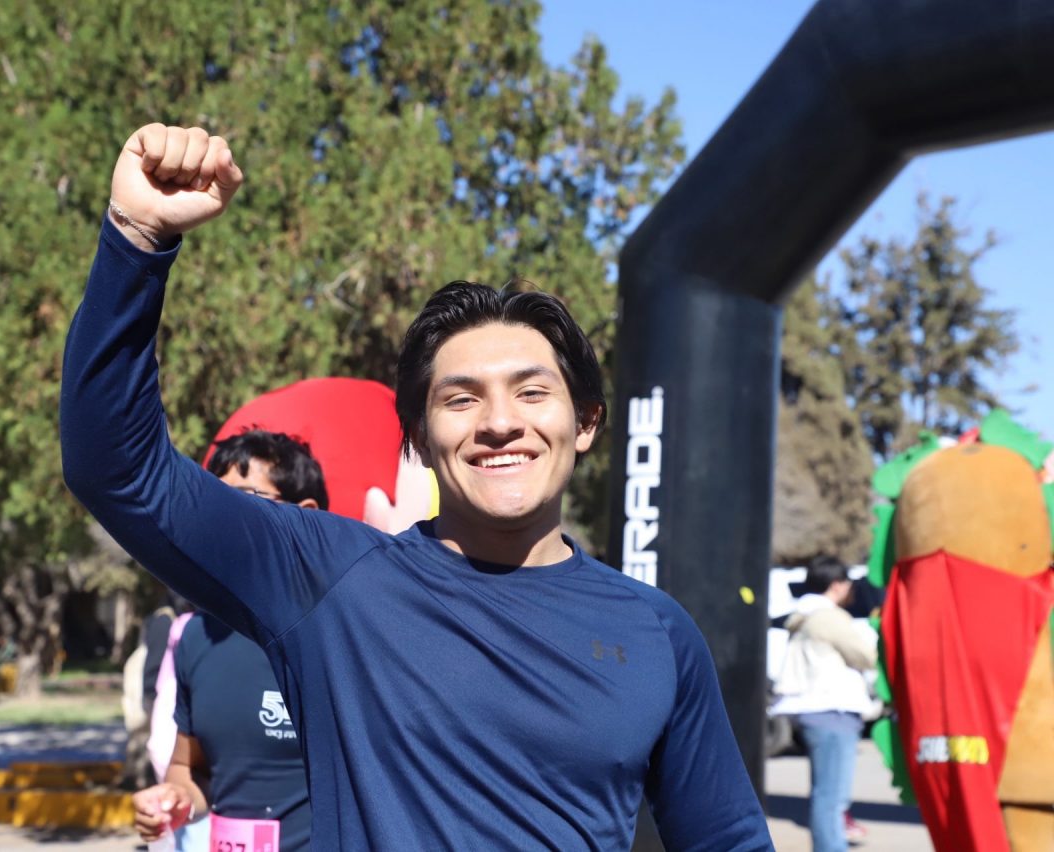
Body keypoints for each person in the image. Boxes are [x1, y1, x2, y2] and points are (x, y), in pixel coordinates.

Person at [62, 122, 772, 849]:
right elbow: (117, 469)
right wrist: (137, 239)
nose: (500, 423)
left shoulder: (657, 634)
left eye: (532, 393)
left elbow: (728, 839)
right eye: (461, 399)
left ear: (585, 422)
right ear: (420, 439)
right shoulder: (329, 584)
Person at [133, 430, 325, 851]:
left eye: (241, 498)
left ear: (305, 515)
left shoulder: (340, 636)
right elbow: (191, 769)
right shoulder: (198, 636)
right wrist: (176, 799)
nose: (219, 516)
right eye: (211, 500)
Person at [771, 555, 879, 852]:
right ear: (837, 585)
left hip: (814, 712)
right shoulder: (828, 617)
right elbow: (866, 655)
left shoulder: (804, 615)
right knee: (832, 798)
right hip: (832, 711)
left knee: (826, 795)